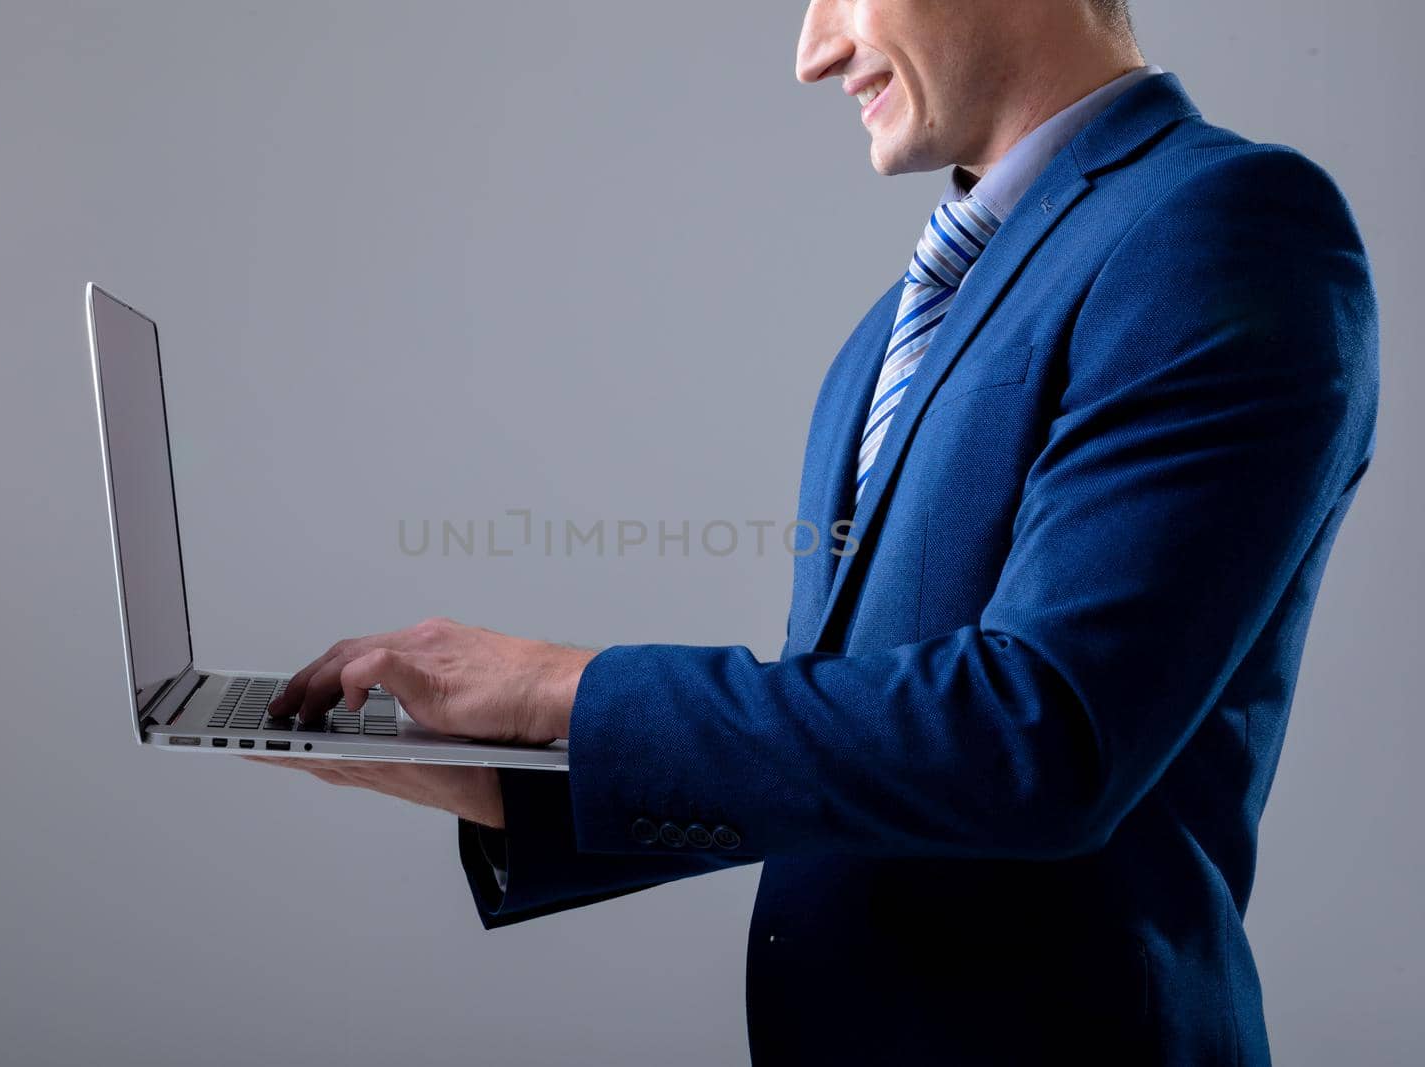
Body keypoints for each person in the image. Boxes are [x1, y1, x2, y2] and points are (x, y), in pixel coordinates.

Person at [252, 1, 1380, 1062]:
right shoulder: (891, 329)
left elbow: (1045, 734)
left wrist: (567, 690)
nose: (812, 52)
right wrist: (517, 782)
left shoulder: (1224, 226)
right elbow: (861, 742)